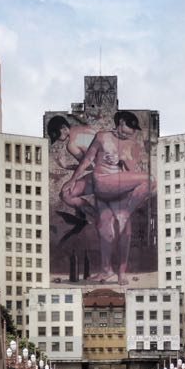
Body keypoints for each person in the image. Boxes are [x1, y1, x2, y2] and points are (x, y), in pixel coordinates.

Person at [61, 111, 155, 285]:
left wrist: (122, 159)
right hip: (102, 182)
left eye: (134, 129)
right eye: (130, 127)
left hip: (119, 190)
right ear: (121, 122)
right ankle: (106, 267)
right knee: (67, 194)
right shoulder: (102, 137)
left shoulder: (132, 145)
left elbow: (131, 172)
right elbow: (87, 159)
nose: (132, 132)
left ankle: (115, 272)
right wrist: (73, 179)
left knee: (114, 231)